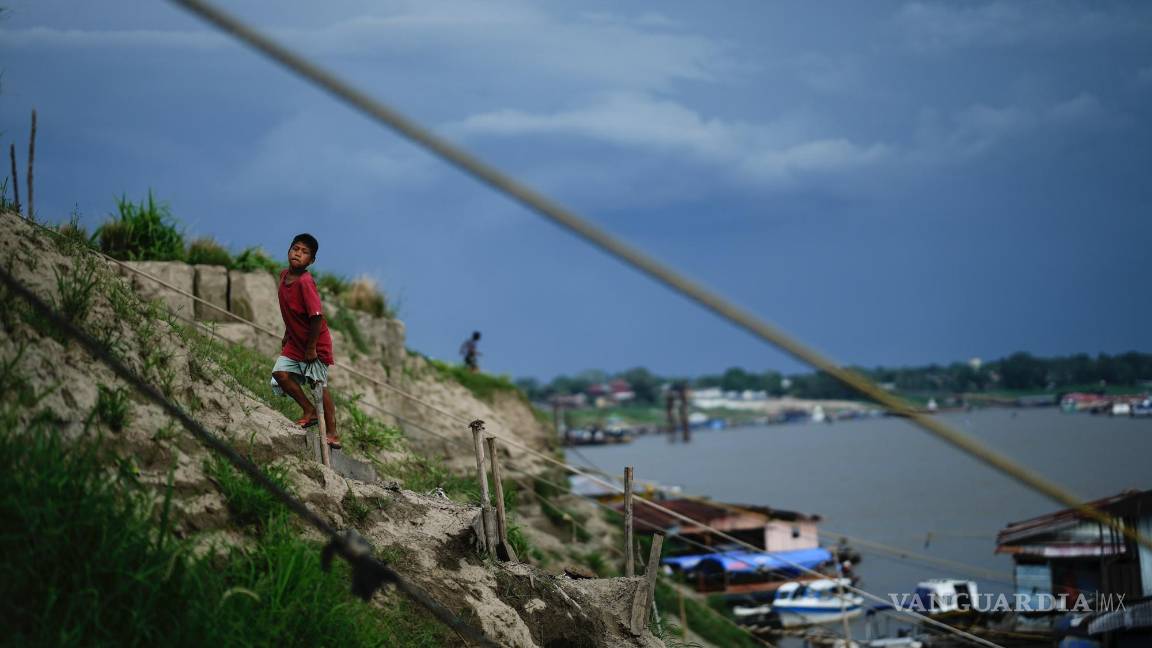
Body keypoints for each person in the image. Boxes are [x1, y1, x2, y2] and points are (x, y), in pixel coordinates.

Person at [270, 233, 340, 449]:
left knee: (318, 385)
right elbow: (291, 312)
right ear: (289, 251)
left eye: (305, 252)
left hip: (314, 344)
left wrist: (311, 348)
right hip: (296, 341)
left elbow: (316, 317)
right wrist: (287, 333)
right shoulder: (283, 277)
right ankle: (308, 410)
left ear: (311, 261)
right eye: (295, 249)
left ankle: (333, 433)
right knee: (280, 374)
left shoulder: (305, 282)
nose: (298, 254)